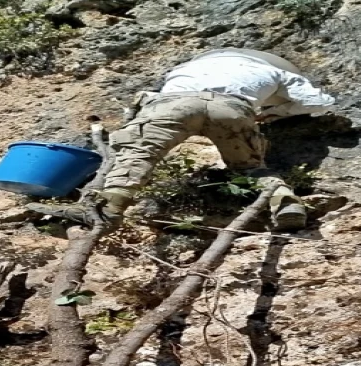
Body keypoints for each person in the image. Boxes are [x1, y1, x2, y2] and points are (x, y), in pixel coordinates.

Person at [35, 48, 335, 231]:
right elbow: (318, 103)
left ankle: (107, 210)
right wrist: (273, 112)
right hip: (232, 108)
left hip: (173, 104)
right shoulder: (272, 71)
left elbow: (143, 105)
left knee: (138, 156)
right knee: (249, 168)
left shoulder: (187, 68)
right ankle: (286, 205)